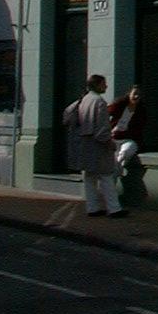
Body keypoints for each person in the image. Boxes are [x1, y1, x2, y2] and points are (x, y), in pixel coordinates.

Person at [63, 74, 127, 218]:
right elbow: (102, 128)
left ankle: (92, 208)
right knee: (106, 176)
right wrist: (110, 143)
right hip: (98, 146)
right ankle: (114, 209)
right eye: (104, 84)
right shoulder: (99, 102)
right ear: (97, 85)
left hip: (84, 144)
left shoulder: (84, 100)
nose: (106, 86)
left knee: (89, 177)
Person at [108, 84, 145, 177]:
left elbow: (139, 129)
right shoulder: (120, 104)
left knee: (125, 153)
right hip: (114, 138)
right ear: (129, 94)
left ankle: (116, 172)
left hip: (129, 139)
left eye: (139, 95)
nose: (136, 96)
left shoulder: (141, 111)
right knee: (114, 160)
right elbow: (105, 113)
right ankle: (115, 176)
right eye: (134, 94)